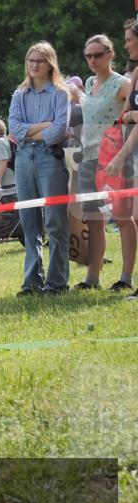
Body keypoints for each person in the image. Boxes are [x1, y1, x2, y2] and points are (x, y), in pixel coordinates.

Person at [7, 41, 71, 296]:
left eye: (39, 61)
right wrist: (43, 125)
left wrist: (30, 130)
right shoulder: (19, 95)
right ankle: (32, 281)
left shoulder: (60, 93)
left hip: (50, 159)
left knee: (55, 222)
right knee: (29, 223)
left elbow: (58, 132)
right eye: (30, 61)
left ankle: (56, 283)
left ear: (50, 64)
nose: (34, 65)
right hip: (23, 158)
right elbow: (14, 129)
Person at [76, 34, 132, 291]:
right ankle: (92, 278)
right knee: (93, 218)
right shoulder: (88, 83)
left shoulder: (123, 83)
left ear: (111, 54)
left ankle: (125, 278)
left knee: (123, 217)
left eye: (98, 54)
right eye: (88, 55)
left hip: (113, 158)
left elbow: (131, 113)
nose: (92, 60)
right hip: (88, 157)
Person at [102, 20, 138, 299]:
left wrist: (119, 157)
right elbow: (124, 115)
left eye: (128, 39)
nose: (125, 44)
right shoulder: (135, 73)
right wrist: (130, 115)